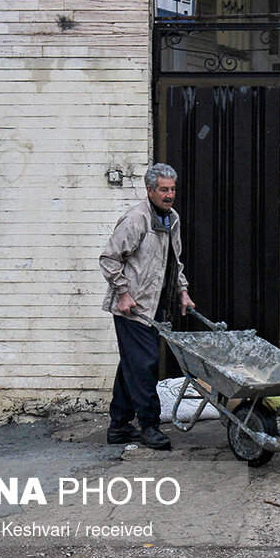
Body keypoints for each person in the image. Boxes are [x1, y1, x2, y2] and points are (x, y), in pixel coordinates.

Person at [100, 163, 195, 450]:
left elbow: (173, 262)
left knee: (132, 363)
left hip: (156, 307)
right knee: (144, 365)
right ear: (149, 190)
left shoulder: (171, 219)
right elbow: (109, 259)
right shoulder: (136, 219)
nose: (169, 195)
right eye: (163, 190)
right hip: (133, 307)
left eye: (172, 189)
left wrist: (183, 291)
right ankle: (149, 426)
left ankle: (118, 425)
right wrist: (123, 294)